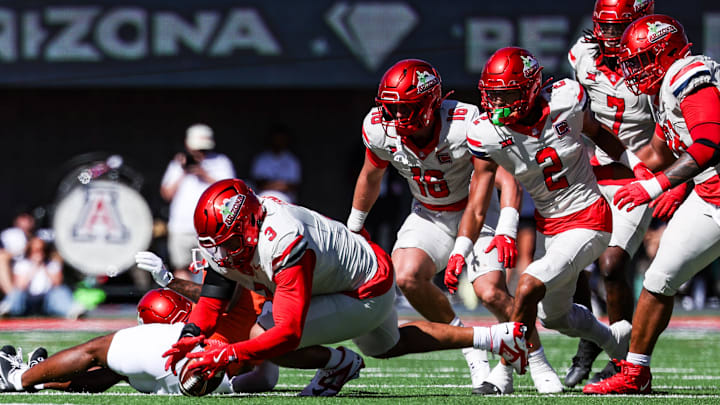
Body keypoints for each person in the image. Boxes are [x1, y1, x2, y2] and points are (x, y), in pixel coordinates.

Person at [160, 179, 529, 397]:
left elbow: (288, 333)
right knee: (389, 346)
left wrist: (228, 355)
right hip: (354, 275)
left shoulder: (282, 239)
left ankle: (338, 364)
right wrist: (192, 334)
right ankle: (497, 337)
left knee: (267, 330)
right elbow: (213, 295)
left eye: (229, 241)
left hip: (364, 288)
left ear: (251, 224)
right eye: (218, 243)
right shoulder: (236, 237)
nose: (223, 252)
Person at [458, 46, 651, 394]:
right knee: (553, 316)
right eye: (494, 96)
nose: (500, 105)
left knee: (528, 285)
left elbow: (598, 133)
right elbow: (486, 188)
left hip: (590, 216)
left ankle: (505, 374)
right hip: (551, 225)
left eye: (510, 95)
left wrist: (638, 168)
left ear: (532, 88)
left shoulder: (565, 100)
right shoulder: (486, 131)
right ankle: (612, 338)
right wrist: (495, 234)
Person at [348, 58, 548, 392]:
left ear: (430, 104)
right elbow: (370, 175)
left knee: (492, 294)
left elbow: (506, 175)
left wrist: (507, 228)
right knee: (408, 275)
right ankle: (472, 349)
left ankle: (537, 358)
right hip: (429, 214)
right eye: (391, 109)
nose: (396, 118)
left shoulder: (465, 122)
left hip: (479, 213)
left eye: (407, 108)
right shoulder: (378, 128)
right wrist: (354, 227)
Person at [584, 14, 720, 395]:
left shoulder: (688, 74)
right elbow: (657, 152)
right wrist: (595, 139)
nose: (634, 70)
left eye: (642, 60)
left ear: (667, 54)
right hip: (711, 195)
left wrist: (655, 188)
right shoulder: (664, 89)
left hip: (712, 186)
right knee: (659, 279)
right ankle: (635, 372)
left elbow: (709, 143)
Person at [564, 0, 677, 387]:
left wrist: (668, 183)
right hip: (586, 174)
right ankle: (588, 341)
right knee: (573, 263)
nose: (610, 36)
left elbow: (672, 132)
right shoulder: (583, 55)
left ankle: (623, 359)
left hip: (635, 175)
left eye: (619, 28)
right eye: (604, 27)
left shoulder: (654, 62)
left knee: (612, 265)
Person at [0, 287, 278, 394]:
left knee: (95, 349)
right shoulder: (269, 306)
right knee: (115, 372)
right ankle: (42, 376)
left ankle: (18, 376)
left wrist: (170, 279)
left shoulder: (240, 278)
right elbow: (267, 377)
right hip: (204, 382)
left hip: (180, 354)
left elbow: (217, 291)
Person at [160, 123, 235, 282]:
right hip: (181, 226)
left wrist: (204, 174)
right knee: (181, 267)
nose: (200, 153)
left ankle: (206, 304)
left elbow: (232, 192)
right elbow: (166, 193)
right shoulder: (178, 163)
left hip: (211, 227)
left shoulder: (221, 162)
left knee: (212, 269)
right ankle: (188, 304)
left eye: (203, 149)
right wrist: (183, 171)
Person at [0, 236, 85, 319]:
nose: (39, 253)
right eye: (36, 250)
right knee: (16, 292)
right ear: (30, 251)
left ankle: (72, 309)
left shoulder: (52, 264)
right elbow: (20, 286)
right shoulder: (22, 265)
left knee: (61, 291)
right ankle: (8, 308)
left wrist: (44, 267)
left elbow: (57, 283)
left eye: (41, 250)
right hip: (28, 300)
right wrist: (34, 267)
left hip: (46, 299)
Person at [250, 125, 302, 203]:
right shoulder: (262, 158)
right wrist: (280, 184)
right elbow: (258, 183)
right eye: (276, 139)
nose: (278, 141)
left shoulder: (292, 160)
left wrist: (271, 184)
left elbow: (293, 185)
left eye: (281, 139)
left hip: (286, 199)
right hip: (263, 197)